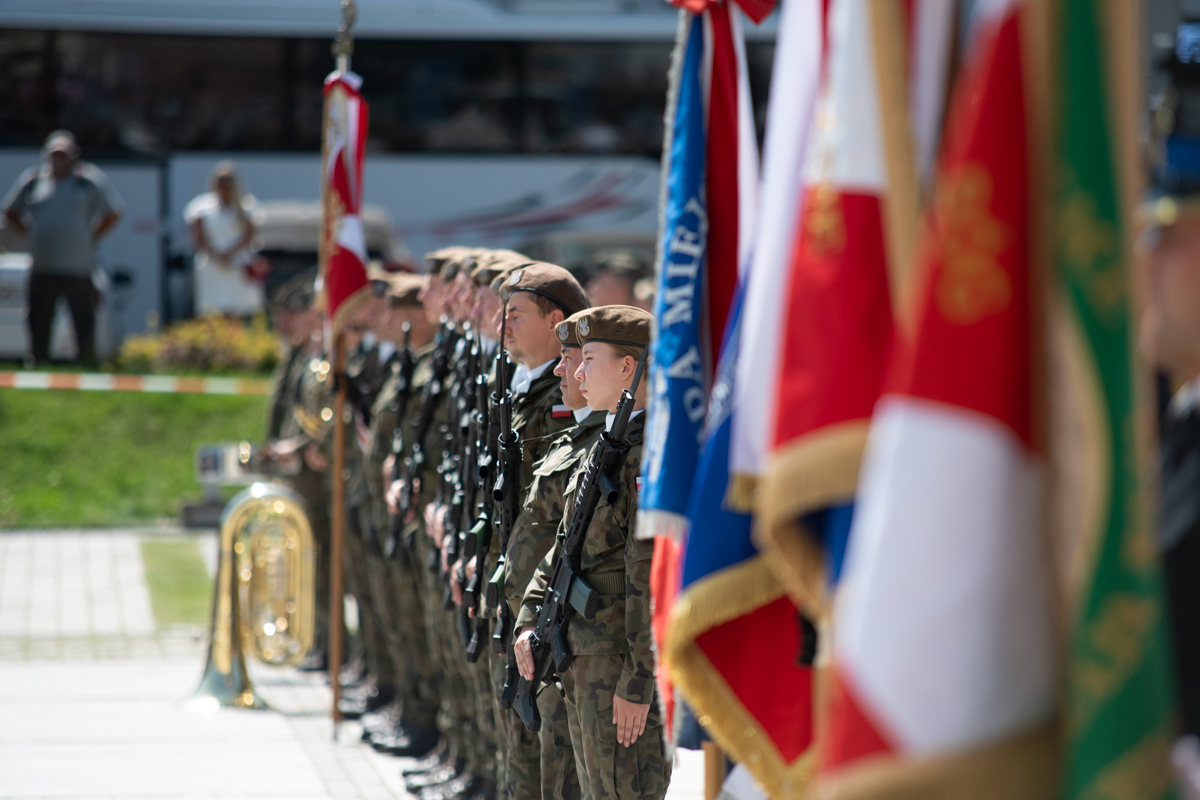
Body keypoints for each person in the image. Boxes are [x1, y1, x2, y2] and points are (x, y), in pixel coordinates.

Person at [514, 305, 671, 800]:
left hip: (618, 666)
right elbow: (565, 546)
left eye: (591, 359)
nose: (578, 372)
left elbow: (649, 576)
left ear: (629, 368)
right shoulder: (608, 445)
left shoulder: (647, 455)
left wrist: (638, 680)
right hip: (582, 655)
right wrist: (530, 615)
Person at [2, 130, 122, 366]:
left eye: (64, 154)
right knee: (39, 317)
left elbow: (113, 212)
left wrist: (93, 236)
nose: (59, 158)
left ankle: (86, 362)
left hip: (78, 265)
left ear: (74, 155)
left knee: (83, 317)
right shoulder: (33, 181)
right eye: (54, 153)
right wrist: (29, 233)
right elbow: (9, 210)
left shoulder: (87, 181)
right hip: (43, 264)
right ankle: (38, 361)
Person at [185, 161, 263, 317]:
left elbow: (250, 234)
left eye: (228, 184)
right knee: (212, 310)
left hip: (237, 264)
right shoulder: (201, 207)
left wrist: (230, 253)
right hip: (212, 264)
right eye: (220, 184)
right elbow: (197, 236)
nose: (224, 189)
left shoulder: (246, 206)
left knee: (238, 309)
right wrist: (216, 254)